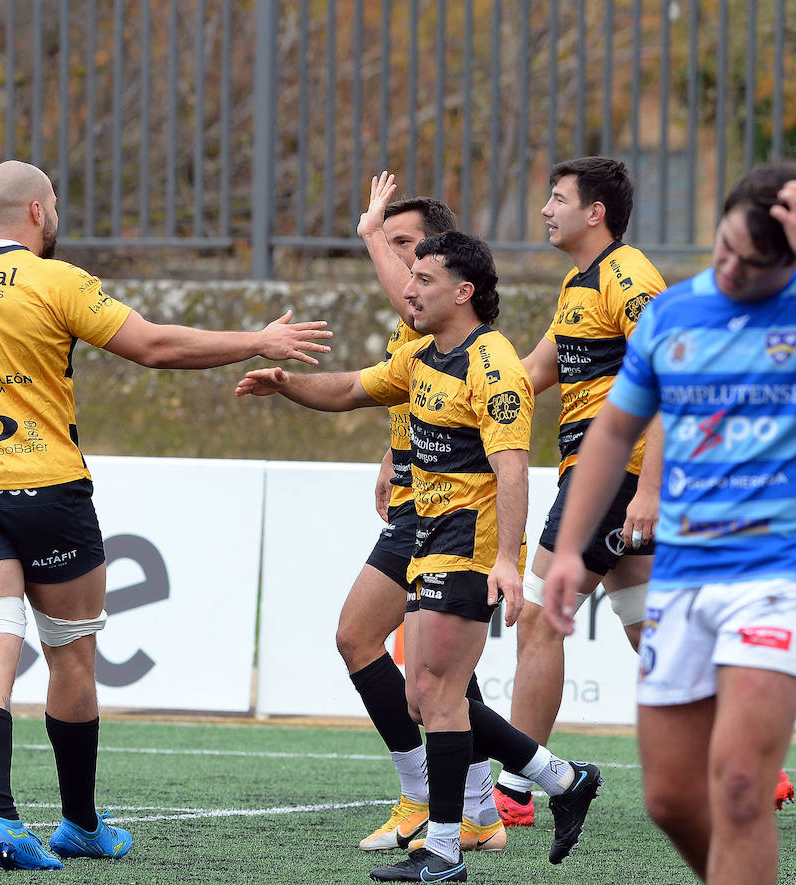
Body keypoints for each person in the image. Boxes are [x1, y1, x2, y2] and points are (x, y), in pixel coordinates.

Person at [0, 160, 332, 870]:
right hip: (48, 489)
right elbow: (153, 346)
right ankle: (79, 823)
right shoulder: (56, 280)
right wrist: (255, 341)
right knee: (70, 654)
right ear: (39, 214)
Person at [541, 163, 796, 885]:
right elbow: (614, 432)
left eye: (754, 262)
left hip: (776, 577)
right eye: (725, 251)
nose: (734, 271)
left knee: (742, 784)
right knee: (671, 796)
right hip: (682, 575)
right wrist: (566, 551)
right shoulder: (673, 312)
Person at [237, 231, 601, 883]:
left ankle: (444, 845)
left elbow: (512, 470)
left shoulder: (495, 366)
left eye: (424, 278)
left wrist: (509, 562)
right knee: (381, 656)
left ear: (463, 292)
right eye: (410, 277)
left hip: (468, 538)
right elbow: (352, 388)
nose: (409, 287)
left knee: (436, 691)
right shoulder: (424, 355)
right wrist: (288, 383)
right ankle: (560, 777)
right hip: (419, 527)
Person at [495, 156, 667, 825]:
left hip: (612, 472)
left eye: (557, 198)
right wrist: (454, 393)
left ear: (594, 213)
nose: (545, 209)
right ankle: (747, 760)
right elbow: (533, 369)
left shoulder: (627, 275)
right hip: (609, 475)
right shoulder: (580, 283)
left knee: (538, 616)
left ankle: (514, 787)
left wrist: (646, 486)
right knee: (650, 628)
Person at [340, 175, 505, 854]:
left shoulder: (455, 325)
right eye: (399, 247)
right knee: (373, 645)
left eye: (414, 249)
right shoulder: (422, 331)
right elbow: (413, 396)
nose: (406, 265)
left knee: (429, 672)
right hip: (413, 502)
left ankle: (473, 800)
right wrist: (391, 451)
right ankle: (462, 799)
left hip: (448, 515)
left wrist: (371, 233)